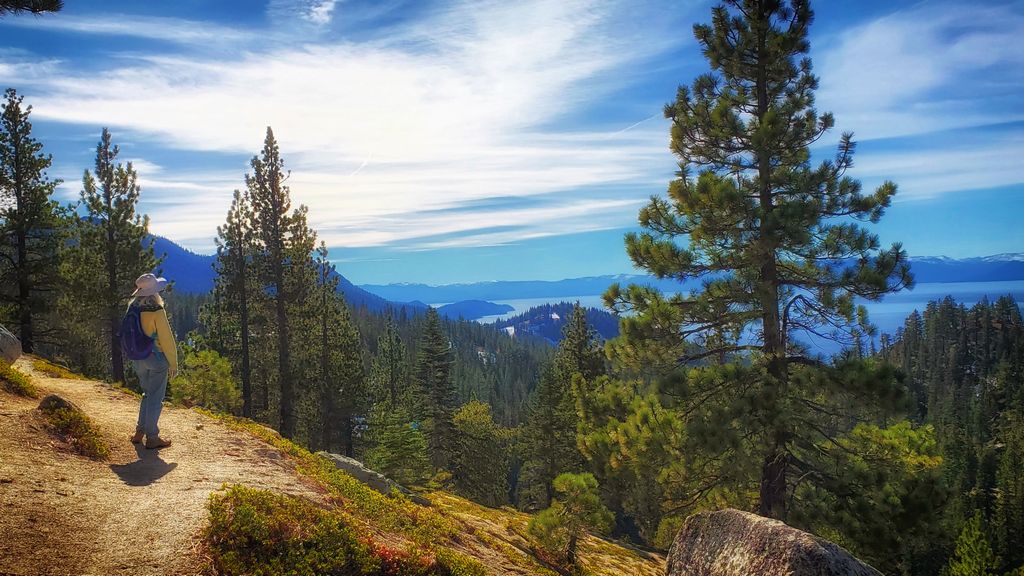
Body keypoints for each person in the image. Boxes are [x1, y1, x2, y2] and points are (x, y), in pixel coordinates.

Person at [128, 273, 178, 449]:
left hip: (138, 358)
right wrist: (173, 362)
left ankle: (139, 432)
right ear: (155, 292)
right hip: (155, 358)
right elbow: (166, 338)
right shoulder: (156, 310)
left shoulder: (132, 308)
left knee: (147, 394)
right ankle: (152, 437)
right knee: (156, 397)